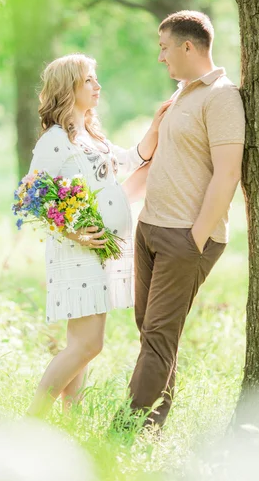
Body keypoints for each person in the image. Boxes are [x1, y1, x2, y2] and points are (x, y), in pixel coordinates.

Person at [116, 10, 246, 430]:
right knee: (151, 330)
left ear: (187, 46)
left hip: (185, 238)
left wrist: (195, 239)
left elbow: (228, 173)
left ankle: (125, 434)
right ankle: (153, 422)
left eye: (164, 47)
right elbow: (156, 160)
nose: (160, 57)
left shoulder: (222, 97)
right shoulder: (179, 97)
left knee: (157, 334)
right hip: (151, 228)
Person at [26, 53, 170, 416]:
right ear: (67, 88)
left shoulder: (91, 137)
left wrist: (156, 126)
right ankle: (32, 420)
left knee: (82, 344)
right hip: (78, 252)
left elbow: (131, 160)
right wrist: (73, 233)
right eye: (88, 79)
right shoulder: (55, 139)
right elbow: (33, 195)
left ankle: (70, 423)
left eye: (95, 78)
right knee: (88, 345)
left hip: (101, 251)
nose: (97, 85)